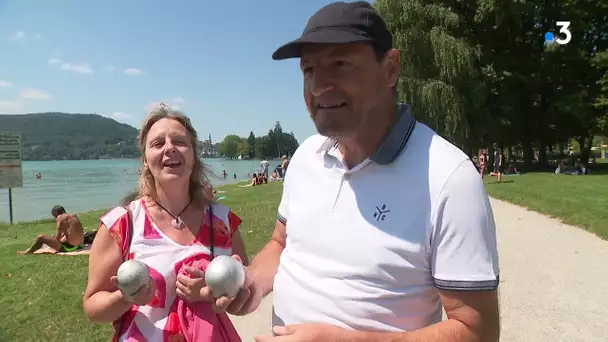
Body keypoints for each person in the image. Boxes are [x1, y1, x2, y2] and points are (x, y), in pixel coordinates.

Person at [210, 2, 500, 341]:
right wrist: (254, 281)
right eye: (309, 70)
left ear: (390, 68)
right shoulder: (305, 157)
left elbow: (477, 331)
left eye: (340, 65)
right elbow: (281, 242)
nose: (318, 86)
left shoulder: (448, 178)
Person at [83, 105, 248, 341]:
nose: (170, 148)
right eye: (158, 143)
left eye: (180, 141)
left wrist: (213, 292)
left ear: (193, 156)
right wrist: (125, 296)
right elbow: (93, 309)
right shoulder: (123, 223)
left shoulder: (222, 221)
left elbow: (243, 292)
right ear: (146, 160)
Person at [17, 205, 85, 255]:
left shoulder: (60, 217)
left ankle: (28, 252)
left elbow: (57, 238)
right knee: (55, 237)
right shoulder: (73, 215)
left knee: (41, 237)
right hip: (80, 245)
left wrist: (51, 243)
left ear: (55, 214)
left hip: (71, 247)